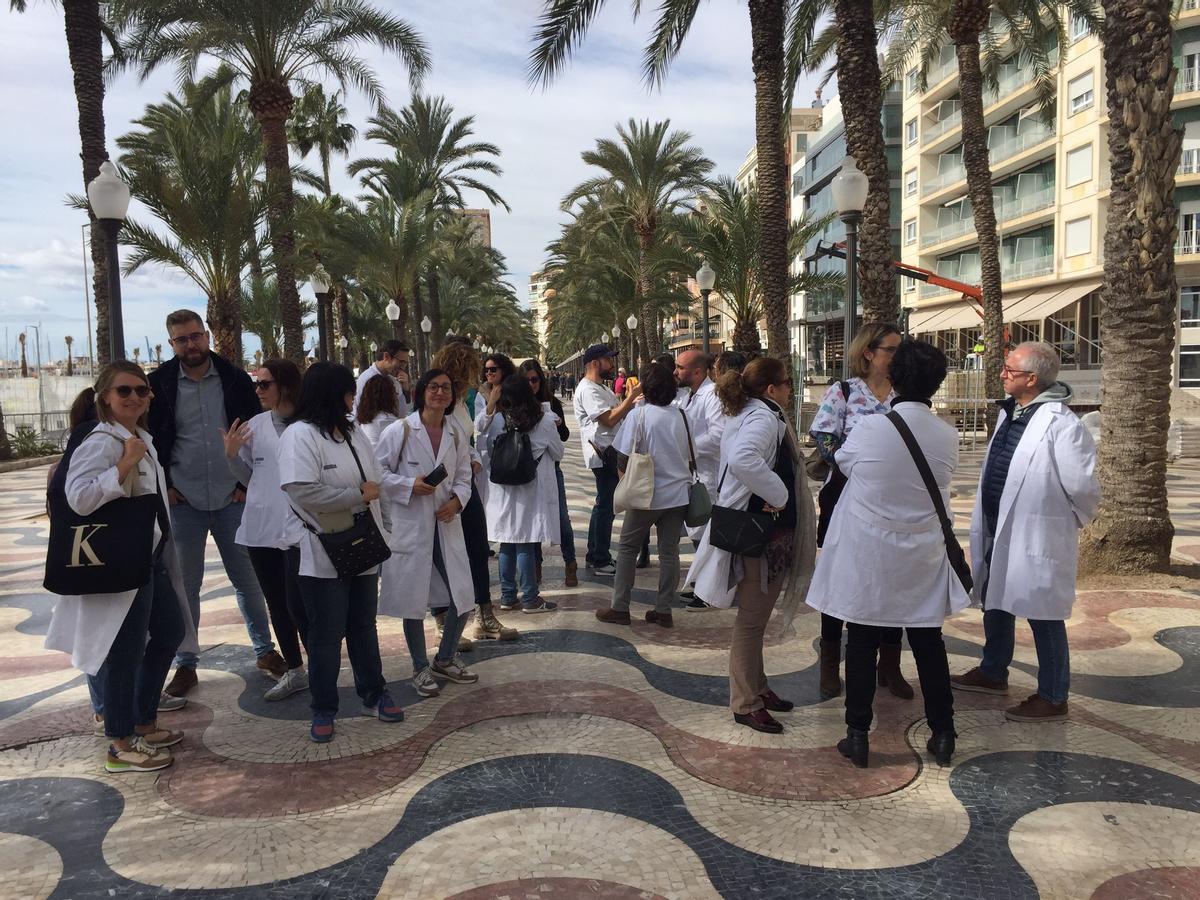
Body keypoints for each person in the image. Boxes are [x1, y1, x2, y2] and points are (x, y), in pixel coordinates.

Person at [807, 340, 967, 768]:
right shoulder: (947, 436)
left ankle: (857, 735)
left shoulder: (869, 429)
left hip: (871, 552)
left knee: (860, 639)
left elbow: (842, 462)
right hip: (923, 554)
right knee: (929, 642)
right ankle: (944, 733)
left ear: (893, 378)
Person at [45, 361, 195, 772]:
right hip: (119, 562)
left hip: (147, 559)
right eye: (124, 391)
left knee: (169, 632)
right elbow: (78, 498)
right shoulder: (102, 441)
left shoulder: (139, 436)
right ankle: (120, 741)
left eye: (141, 391)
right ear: (105, 398)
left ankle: (144, 720)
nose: (134, 398)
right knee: (123, 654)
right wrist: (124, 464)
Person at [952, 342, 1100, 722]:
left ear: (1032, 379)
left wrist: (1059, 520)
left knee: (1043, 613)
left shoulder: (1061, 423)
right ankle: (992, 670)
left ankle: (1053, 695)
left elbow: (1082, 486)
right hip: (999, 523)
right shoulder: (1012, 413)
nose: (1002, 374)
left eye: (1009, 370)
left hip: (1036, 531)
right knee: (995, 598)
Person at [148, 310, 283, 700]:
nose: (189, 345)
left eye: (194, 336)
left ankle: (265, 651)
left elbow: (256, 432)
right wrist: (167, 485)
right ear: (171, 343)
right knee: (185, 584)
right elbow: (152, 436)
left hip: (231, 497)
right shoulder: (159, 384)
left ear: (206, 335)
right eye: (180, 339)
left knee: (248, 580)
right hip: (183, 500)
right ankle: (186, 662)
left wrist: (247, 483)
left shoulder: (235, 378)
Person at [686, 357, 814, 734]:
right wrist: (780, 494)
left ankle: (758, 686)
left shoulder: (752, 412)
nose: (791, 388)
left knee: (756, 617)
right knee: (752, 621)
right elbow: (744, 459)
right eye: (787, 382)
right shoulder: (761, 418)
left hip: (759, 528)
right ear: (772, 388)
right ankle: (745, 702)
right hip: (758, 532)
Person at [278, 362, 403, 743]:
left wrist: (385, 524)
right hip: (322, 549)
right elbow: (301, 490)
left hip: (362, 544)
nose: (354, 400)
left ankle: (373, 693)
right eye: (349, 393)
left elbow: (376, 481)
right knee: (326, 634)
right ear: (331, 394)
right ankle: (324, 708)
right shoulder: (300, 435)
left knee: (364, 627)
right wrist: (356, 498)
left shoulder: (350, 432)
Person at [807, 323, 911, 702]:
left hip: (891, 498)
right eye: (892, 349)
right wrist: (855, 464)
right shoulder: (845, 391)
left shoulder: (904, 394)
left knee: (891, 575)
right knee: (840, 573)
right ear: (869, 352)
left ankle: (890, 665)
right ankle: (830, 665)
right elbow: (824, 434)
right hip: (846, 493)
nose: (899, 355)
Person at [376, 368, 479, 697]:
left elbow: (464, 474)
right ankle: (420, 667)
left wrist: (458, 502)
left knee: (463, 596)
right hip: (412, 526)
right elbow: (377, 474)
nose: (440, 393)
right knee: (412, 600)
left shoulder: (456, 432)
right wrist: (409, 485)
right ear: (422, 392)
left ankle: (445, 659)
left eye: (446, 388)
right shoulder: (400, 431)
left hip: (446, 524)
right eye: (434, 387)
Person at [222, 359, 309, 701]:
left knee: (303, 603)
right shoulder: (254, 427)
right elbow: (249, 478)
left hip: (302, 530)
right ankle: (295, 669)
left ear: (286, 386)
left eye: (264, 384)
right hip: (261, 529)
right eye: (256, 384)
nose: (257, 390)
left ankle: (321, 664)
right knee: (277, 603)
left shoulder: (310, 424)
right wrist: (231, 455)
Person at [432, 341, 518, 643]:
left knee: (478, 550)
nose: (479, 370)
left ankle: (484, 615)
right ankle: (442, 618)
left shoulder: (462, 400)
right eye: (474, 364)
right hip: (444, 488)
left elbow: (466, 441)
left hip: (466, 484)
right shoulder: (438, 398)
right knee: (444, 553)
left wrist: (473, 458)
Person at [596, 362, 692, 628]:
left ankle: (620, 607)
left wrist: (623, 479)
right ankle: (663, 610)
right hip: (679, 495)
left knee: (627, 547)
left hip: (646, 493)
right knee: (669, 553)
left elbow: (622, 455)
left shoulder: (639, 415)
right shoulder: (682, 415)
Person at [477, 374, 564, 613]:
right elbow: (558, 453)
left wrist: (491, 405)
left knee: (506, 542)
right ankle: (530, 598)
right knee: (526, 542)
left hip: (502, 487)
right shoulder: (544, 420)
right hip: (529, 487)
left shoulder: (496, 420)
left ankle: (507, 596)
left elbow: (481, 439)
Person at [573, 344, 641, 576]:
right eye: (608, 360)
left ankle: (596, 554)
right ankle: (599, 557)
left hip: (610, 452)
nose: (612, 365)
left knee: (603, 505)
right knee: (606, 506)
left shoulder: (599, 388)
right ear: (595, 363)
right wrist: (630, 399)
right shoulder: (589, 390)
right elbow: (609, 420)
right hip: (603, 453)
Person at [522, 359, 578, 588]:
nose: (531, 384)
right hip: (527, 471)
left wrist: (555, 426)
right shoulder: (515, 404)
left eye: (534, 379)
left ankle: (571, 563)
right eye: (526, 380)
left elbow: (563, 436)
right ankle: (536, 567)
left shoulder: (552, 403)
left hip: (552, 468)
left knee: (562, 519)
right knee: (532, 521)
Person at [674, 349, 725, 563]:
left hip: (707, 474)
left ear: (697, 372)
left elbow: (718, 436)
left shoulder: (712, 395)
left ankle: (705, 590)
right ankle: (700, 586)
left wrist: (686, 449)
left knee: (705, 534)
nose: (675, 372)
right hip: (692, 475)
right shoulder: (688, 396)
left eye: (680, 368)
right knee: (697, 532)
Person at [352, 340, 410, 420]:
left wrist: (405, 389)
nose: (403, 367)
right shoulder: (366, 379)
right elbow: (358, 413)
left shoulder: (393, 380)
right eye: (401, 362)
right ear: (386, 357)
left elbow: (402, 413)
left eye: (405, 363)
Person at [356, 373, 403, 446]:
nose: (396, 395)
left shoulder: (366, 419)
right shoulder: (387, 420)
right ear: (388, 396)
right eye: (394, 392)